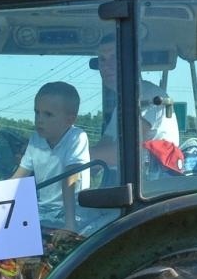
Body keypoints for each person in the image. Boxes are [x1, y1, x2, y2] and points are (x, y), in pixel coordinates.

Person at [92, 32, 179, 167]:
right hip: (119, 180)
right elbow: (104, 146)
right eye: (102, 59)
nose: (105, 65)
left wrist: (73, 156)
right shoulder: (122, 103)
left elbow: (126, 151)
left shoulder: (150, 95)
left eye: (114, 57)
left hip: (150, 183)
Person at [10, 80, 89, 229]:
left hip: (73, 212)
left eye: (48, 114)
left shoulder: (77, 137)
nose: (39, 119)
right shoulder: (36, 140)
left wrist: (70, 225)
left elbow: (69, 178)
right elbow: (17, 180)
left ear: (69, 120)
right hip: (43, 211)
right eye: (37, 112)